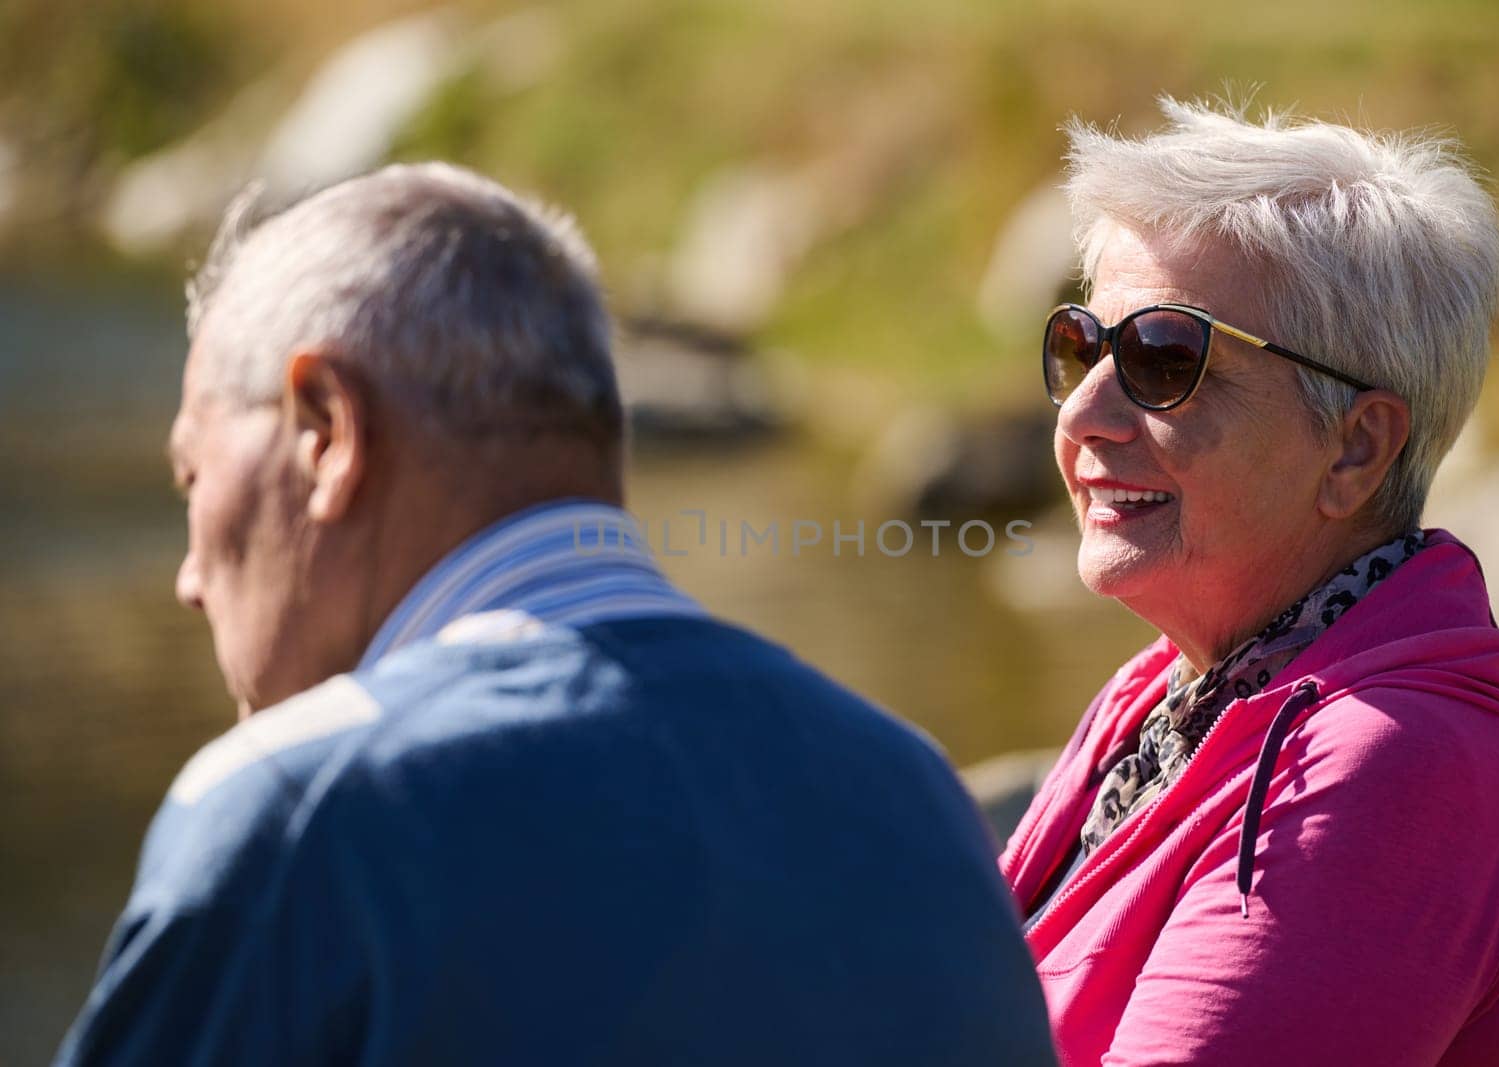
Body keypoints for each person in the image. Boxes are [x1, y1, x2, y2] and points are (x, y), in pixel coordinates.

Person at [57, 163, 1057, 1066]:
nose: (191, 574)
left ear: (325, 430)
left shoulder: (301, 816)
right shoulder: (908, 788)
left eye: (192, 473)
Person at [1003, 98, 1499, 1065]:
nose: (1083, 412)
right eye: (1083, 345)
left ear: (1355, 448)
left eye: (1164, 358)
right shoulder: (1169, 691)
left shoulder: (1397, 770)